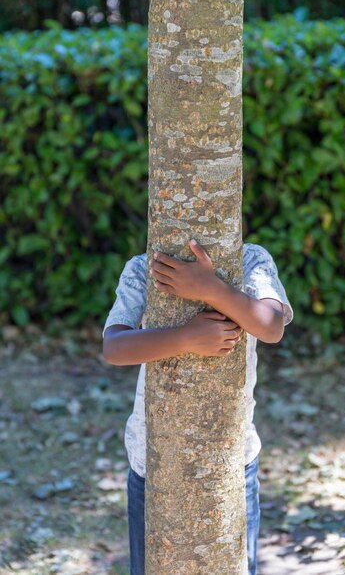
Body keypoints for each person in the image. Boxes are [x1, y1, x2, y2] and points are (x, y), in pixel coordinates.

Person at [102, 238, 294, 575]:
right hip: (152, 463)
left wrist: (211, 288)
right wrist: (186, 338)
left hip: (234, 463)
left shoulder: (251, 260)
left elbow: (271, 326)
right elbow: (114, 347)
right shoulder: (145, 268)